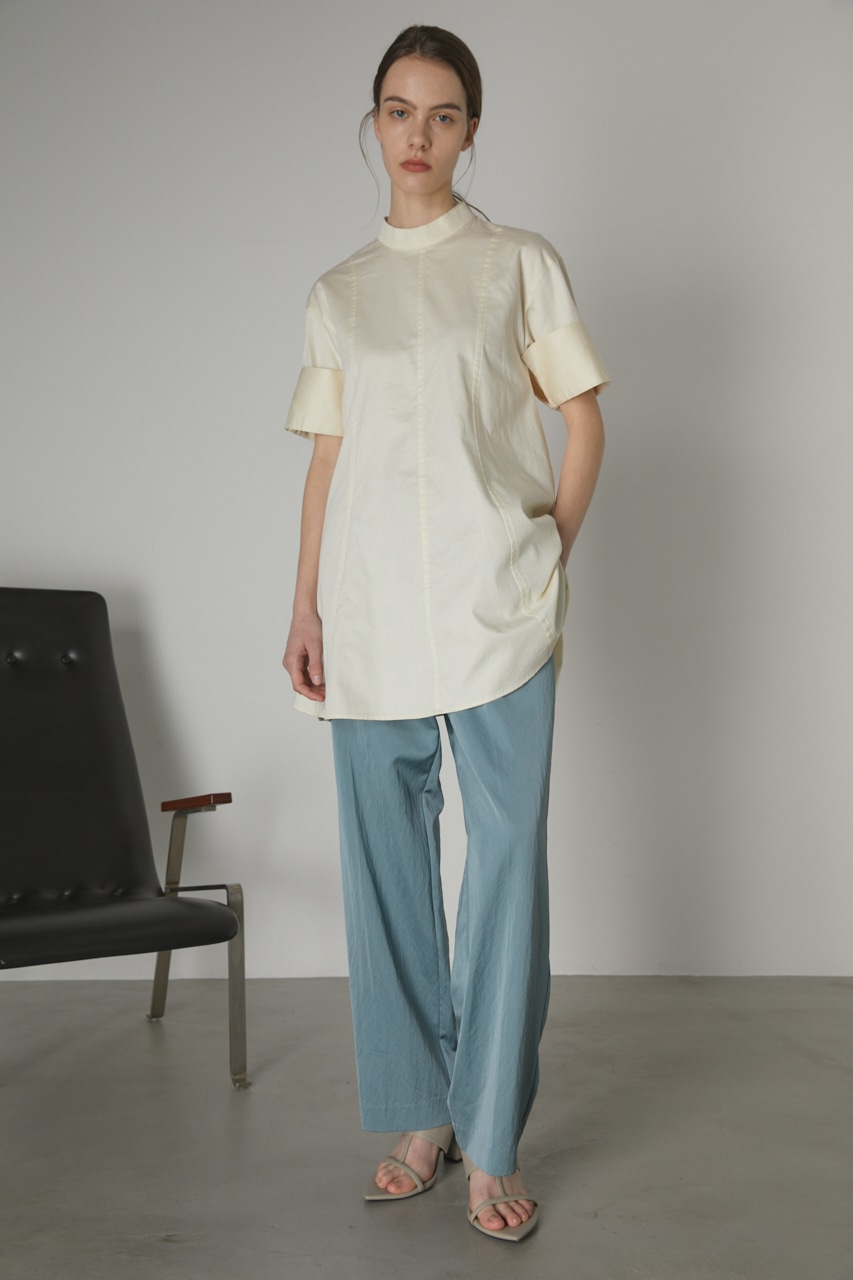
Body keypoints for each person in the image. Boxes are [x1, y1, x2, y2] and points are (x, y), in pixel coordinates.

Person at [283, 25, 608, 1242]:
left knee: (507, 863)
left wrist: (545, 552)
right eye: (397, 110)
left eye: (443, 113)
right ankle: (423, 1112)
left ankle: (493, 1135)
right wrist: (304, 602)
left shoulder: (519, 263)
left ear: (472, 130)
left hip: (495, 612)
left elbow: (582, 419)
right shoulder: (337, 293)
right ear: (372, 122)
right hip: (366, 611)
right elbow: (328, 462)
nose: (416, 135)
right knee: (386, 872)